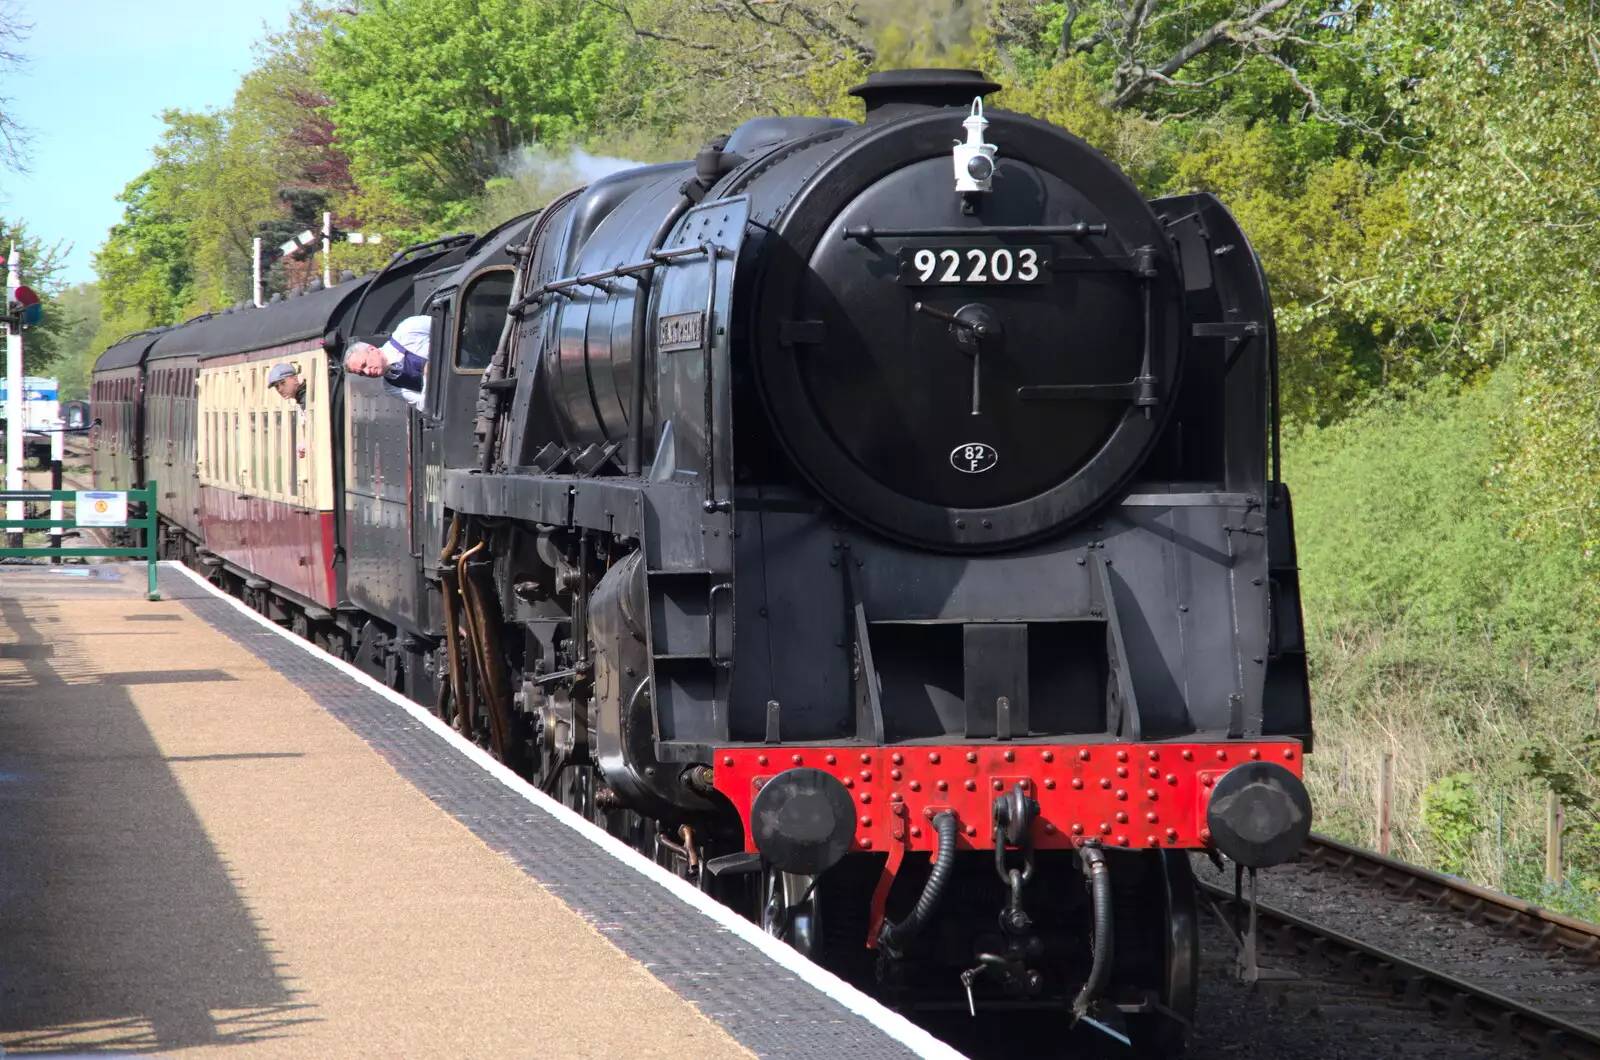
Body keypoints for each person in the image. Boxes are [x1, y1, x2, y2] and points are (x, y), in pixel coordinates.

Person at [343, 314, 431, 411]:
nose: (367, 372)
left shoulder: (407, 330)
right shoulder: (390, 386)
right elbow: (424, 406)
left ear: (372, 349)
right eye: (362, 373)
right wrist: (427, 378)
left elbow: (446, 324)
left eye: (365, 364)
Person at [266, 362, 308, 459]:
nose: (280, 389)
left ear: (295, 379)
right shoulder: (303, 399)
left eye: (283, 383)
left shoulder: (307, 399)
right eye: (276, 386)